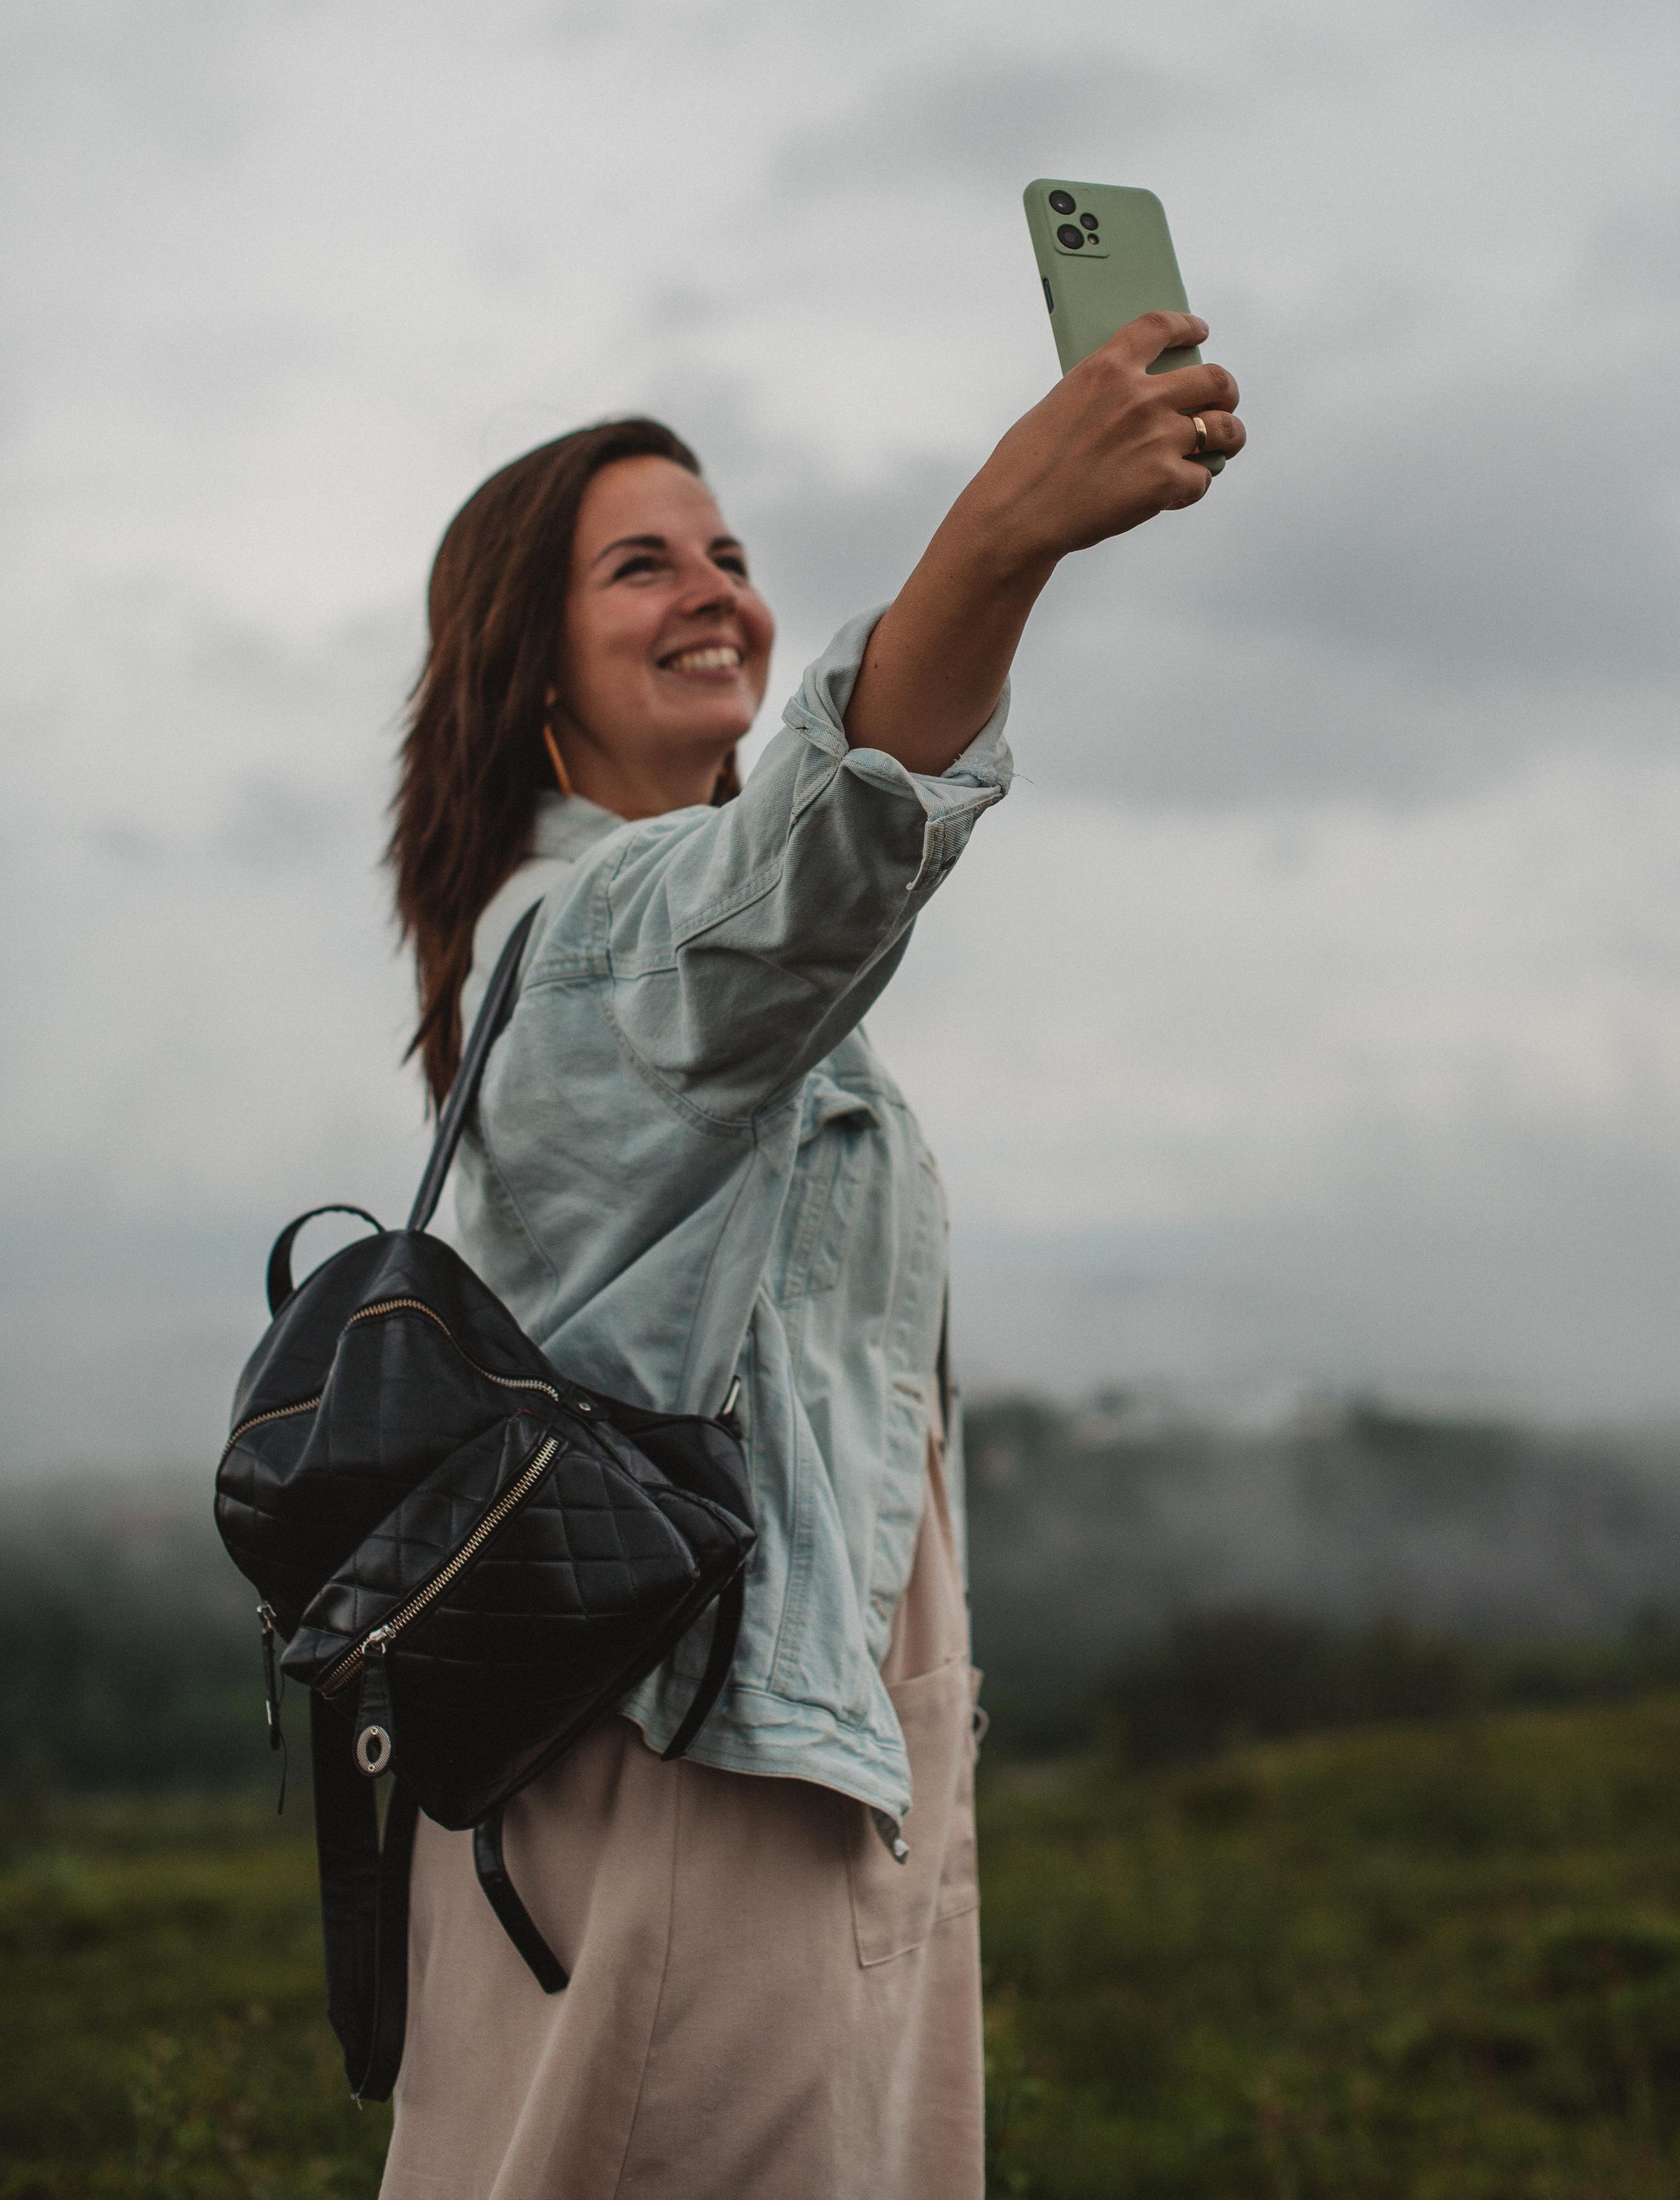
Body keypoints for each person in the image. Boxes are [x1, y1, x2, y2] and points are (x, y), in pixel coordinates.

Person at [377, 309, 1245, 2200]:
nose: (716, 593)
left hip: (803, 1763)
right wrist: (1002, 533)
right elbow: (828, 851)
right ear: (531, 666)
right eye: (641, 564)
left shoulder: (668, 953)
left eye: (732, 555)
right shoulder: (607, 937)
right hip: (700, 1796)